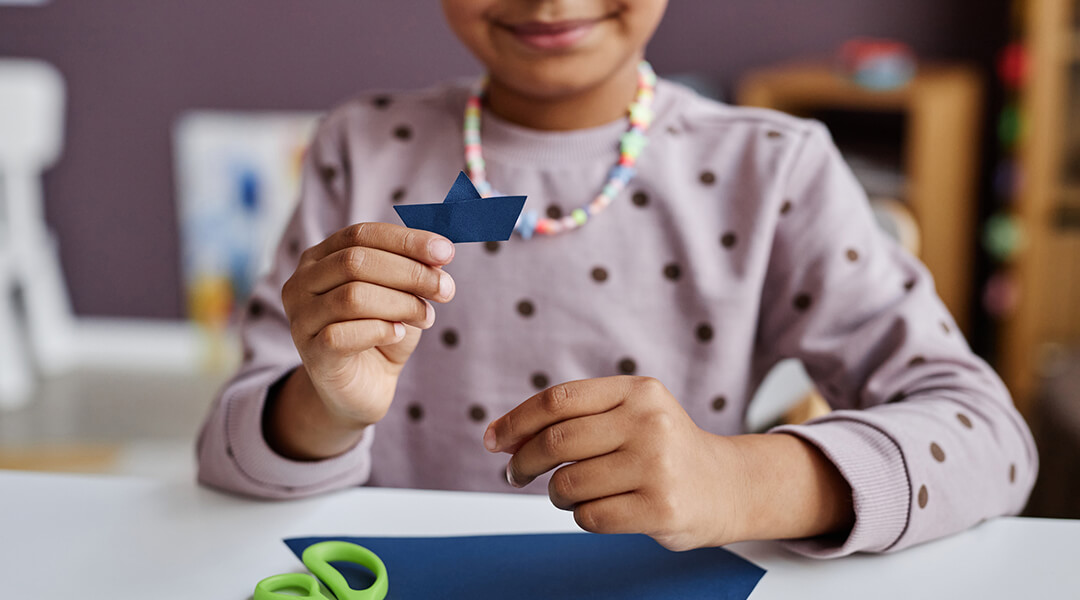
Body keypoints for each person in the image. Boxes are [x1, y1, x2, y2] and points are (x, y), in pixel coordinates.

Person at [197, 0, 1037, 557]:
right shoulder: (358, 148)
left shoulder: (773, 171)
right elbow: (229, 454)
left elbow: (991, 442)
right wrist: (325, 406)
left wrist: (741, 481)